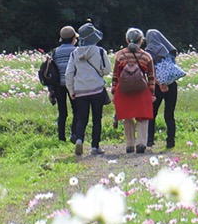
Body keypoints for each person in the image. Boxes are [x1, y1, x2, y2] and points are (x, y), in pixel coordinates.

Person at [64, 22, 111, 156]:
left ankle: (79, 139)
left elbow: (69, 74)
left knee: (81, 118)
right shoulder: (100, 51)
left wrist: (71, 90)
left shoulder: (74, 53)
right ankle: (95, 147)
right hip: (97, 89)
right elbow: (107, 70)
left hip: (80, 91)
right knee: (97, 119)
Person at [112, 28, 156, 154]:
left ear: (127, 40)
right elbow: (151, 77)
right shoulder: (146, 56)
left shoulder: (120, 55)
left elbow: (115, 75)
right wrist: (152, 93)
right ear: (141, 41)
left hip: (124, 90)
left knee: (127, 116)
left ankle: (130, 144)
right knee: (142, 117)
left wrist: (114, 91)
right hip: (141, 90)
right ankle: (141, 143)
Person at [146, 29, 185, 150]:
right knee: (169, 114)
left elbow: (151, 71)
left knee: (152, 113)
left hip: (156, 86)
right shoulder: (169, 51)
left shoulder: (149, 52)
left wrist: (160, 83)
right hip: (171, 85)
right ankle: (170, 141)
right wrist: (167, 82)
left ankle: (150, 140)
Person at [51, 26, 77, 142]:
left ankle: (61, 137)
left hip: (58, 85)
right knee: (76, 110)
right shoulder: (75, 50)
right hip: (73, 84)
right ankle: (74, 134)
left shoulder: (56, 51)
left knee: (62, 112)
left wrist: (51, 90)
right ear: (73, 38)